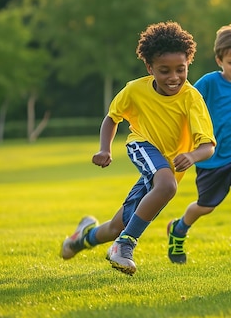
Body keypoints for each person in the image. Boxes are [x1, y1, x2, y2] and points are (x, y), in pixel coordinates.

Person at [60, 21, 216, 276]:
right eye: (164, 70)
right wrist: (105, 149)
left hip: (164, 169)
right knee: (167, 186)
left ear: (189, 63)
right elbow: (112, 117)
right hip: (142, 145)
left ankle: (79, 238)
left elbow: (208, 146)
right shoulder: (135, 90)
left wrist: (192, 155)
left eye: (180, 69)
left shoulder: (192, 98)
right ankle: (124, 245)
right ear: (149, 67)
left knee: (115, 226)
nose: (173, 77)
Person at [166, 22, 231, 266]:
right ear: (219, 60)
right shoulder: (209, 82)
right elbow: (187, 102)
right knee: (205, 206)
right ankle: (178, 229)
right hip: (210, 158)